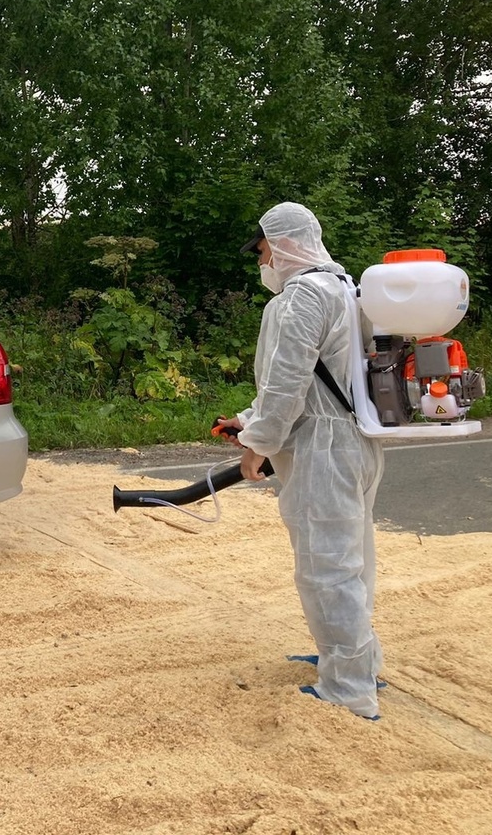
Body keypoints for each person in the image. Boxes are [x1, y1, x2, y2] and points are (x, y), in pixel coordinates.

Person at [215, 202, 386, 720]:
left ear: (284, 245)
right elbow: (316, 382)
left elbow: (286, 384)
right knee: (352, 560)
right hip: (354, 439)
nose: (261, 260)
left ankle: (350, 688)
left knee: (326, 569)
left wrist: (258, 445)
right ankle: (357, 658)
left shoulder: (298, 299)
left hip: (322, 450)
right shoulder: (347, 291)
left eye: (262, 249)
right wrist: (252, 421)